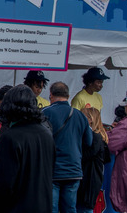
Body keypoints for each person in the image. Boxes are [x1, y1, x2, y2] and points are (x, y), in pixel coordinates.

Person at [0, 85, 56, 212]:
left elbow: (2, 185)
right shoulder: (46, 134)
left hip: (18, 206)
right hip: (43, 205)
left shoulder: (10, 137)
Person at [43, 81, 92, 213]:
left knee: (51, 208)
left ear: (51, 95)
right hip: (73, 169)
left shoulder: (44, 113)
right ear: (68, 96)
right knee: (70, 208)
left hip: (52, 169)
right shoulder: (80, 115)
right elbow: (89, 141)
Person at [76, 107, 110, 213]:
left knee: (84, 207)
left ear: (90, 119)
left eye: (83, 116)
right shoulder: (101, 137)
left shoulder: (95, 138)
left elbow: (85, 156)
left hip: (89, 179)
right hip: (92, 178)